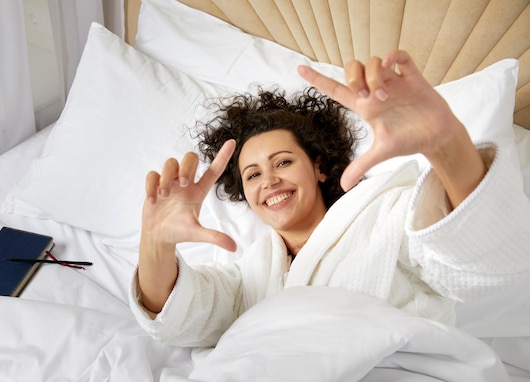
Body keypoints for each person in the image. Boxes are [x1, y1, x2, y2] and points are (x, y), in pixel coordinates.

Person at [129, 50, 530, 347]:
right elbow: (178, 318)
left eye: (282, 162)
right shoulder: (250, 275)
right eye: (252, 174)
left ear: (320, 168)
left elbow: (479, 260)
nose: (268, 180)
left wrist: (445, 144)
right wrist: (155, 242)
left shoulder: (386, 213)